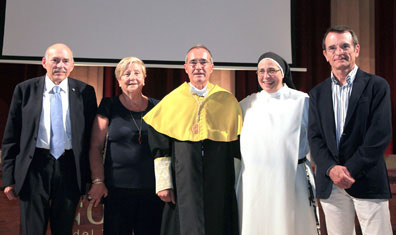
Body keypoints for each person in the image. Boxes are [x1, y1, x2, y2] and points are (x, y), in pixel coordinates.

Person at [143, 45, 243, 235]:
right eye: (193, 62)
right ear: (186, 68)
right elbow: (160, 148)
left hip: (219, 175)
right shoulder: (172, 101)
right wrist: (164, 183)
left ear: (212, 67)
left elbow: (235, 148)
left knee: (218, 220)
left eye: (203, 62)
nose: (198, 67)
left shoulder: (227, 100)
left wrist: (237, 185)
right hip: (184, 176)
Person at [1, 43, 97, 235]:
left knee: (64, 229)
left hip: (70, 169)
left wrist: (91, 179)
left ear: (72, 65)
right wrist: (9, 179)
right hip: (33, 168)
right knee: (31, 230)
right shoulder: (24, 90)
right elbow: (11, 137)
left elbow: (90, 140)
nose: (60, 65)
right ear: (44, 62)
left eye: (65, 61)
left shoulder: (85, 92)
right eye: (55, 60)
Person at [308, 25, 393, 235]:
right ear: (325, 55)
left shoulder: (377, 86)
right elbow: (315, 138)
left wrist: (348, 170)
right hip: (331, 184)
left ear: (356, 49)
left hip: (367, 179)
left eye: (345, 46)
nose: (339, 52)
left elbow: (379, 135)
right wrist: (331, 169)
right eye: (333, 48)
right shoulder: (317, 93)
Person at [236, 52, 319, 235]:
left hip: (291, 180)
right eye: (261, 71)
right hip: (255, 184)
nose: (266, 76)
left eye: (272, 70)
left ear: (283, 73)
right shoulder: (246, 105)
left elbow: (316, 142)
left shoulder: (301, 101)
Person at [87, 57, 163, 235]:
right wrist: (98, 181)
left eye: (137, 73)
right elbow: (95, 146)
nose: (132, 77)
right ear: (119, 80)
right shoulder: (108, 105)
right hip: (117, 191)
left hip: (152, 190)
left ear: (144, 78)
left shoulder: (158, 107)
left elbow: (165, 150)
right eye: (126, 74)